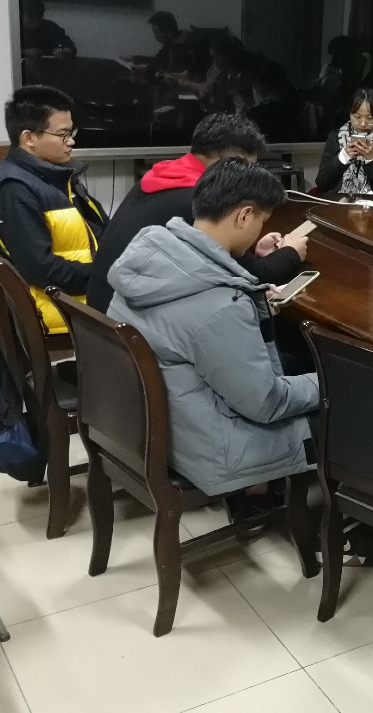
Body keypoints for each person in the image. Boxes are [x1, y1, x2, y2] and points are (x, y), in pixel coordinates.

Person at [106, 158, 318, 497]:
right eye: (261, 221)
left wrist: (254, 303)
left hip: (154, 426)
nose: (259, 231)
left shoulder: (151, 254)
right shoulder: (221, 307)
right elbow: (267, 403)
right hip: (211, 449)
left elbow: (186, 325)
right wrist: (330, 382)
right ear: (244, 215)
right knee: (347, 406)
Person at [86, 113, 307, 314]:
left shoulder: (162, 176)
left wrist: (252, 249)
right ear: (228, 165)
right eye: (246, 169)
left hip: (104, 313)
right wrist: (291, 252)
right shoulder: (202, 200)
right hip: (130, 326)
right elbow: (254, 276)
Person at [0, 86, 108, 334]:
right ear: (29, 138)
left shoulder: (52, 175)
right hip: (66, 308)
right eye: (63, 134)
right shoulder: (14, 189)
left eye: (71, 132)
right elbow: (41, 269)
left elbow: (100, 229)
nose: (71, 141)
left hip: (82, 295)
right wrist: (106, 276)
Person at [315, 87, 373, 195]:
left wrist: (372, 160)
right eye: (357, 117)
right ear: (350, 114)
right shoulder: (335, 138)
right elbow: (321, 183)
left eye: (370, 118)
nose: (363, 123)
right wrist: (343, 156)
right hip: (339, 202)